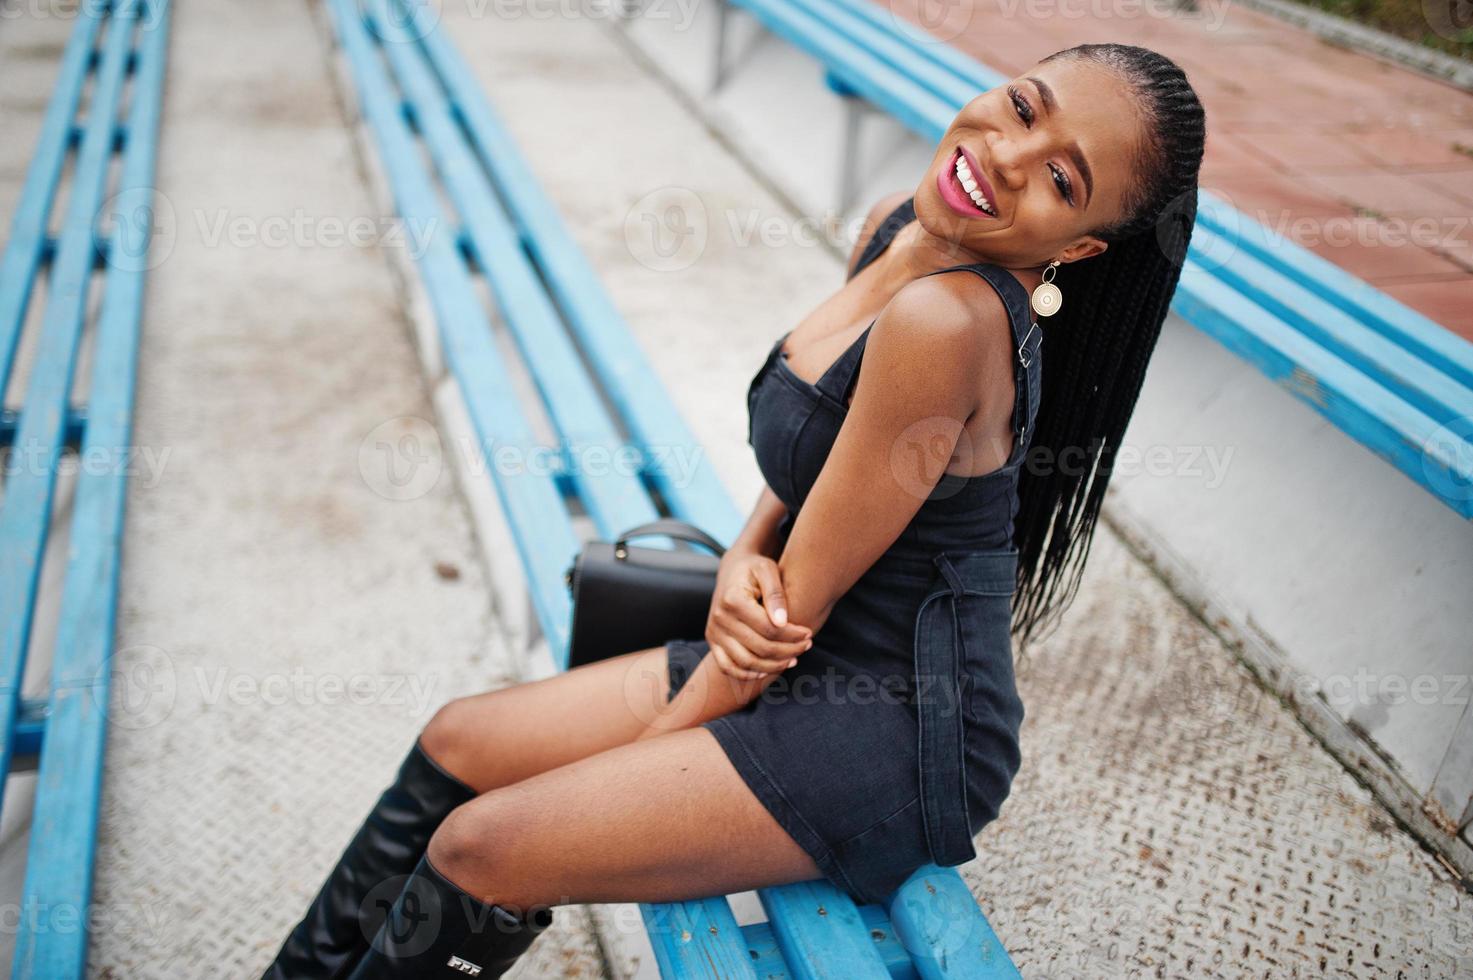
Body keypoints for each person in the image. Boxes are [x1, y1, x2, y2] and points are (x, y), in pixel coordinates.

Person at [263, 42, 1205, 979]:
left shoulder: (947, 325)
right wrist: (744, 550)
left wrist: (601, 782)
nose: (1003, 153)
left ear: (1077, 249)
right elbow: (821, 450)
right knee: (457, 741)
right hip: (798, 647)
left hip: (891, 725)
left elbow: (787, 623)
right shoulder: (895, 231)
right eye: (1024, 107)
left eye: (1057, 177)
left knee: (480, 847)